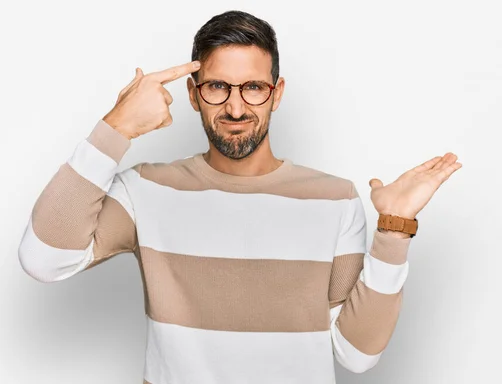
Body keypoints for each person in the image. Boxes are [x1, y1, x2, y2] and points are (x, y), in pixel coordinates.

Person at [17, 9, 462, 384]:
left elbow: (356, 355)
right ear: (193, 94)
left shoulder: (335, 199)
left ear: (276, 93)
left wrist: (395, 228)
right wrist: (115, 127)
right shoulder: (145, 190)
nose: (235, 108)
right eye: (217, 87)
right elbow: (43, 259)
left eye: (252, 87)